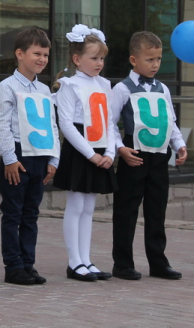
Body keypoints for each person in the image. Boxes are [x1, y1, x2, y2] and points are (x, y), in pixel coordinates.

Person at [110, 31, 188, 281]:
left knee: (156, 210)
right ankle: (122, 263)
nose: (155, 64)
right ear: (134, 60)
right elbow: (110, 123)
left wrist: (179, 144)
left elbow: (170, 121)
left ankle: (158, 263)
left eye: (158, 59)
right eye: (149, 59)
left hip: (159, 157)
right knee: (126, 210)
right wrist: (120, 148)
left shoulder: (162, 88)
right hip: (134, 155)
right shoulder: (122, 89)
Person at [0, 26, 60, 286]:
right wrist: (9, 159)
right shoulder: (6, 87)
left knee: (31, 213)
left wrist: (53, 159)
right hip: (18, 157)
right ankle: (13, 266)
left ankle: (28, 263)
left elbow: (51, 125)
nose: (42, 59)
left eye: (46, 54)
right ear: (20, 54)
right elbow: (2, 125)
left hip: (40, 156)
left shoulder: (44, 90)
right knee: (13, 213)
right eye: (37, 53)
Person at [52, 24, 119, 282]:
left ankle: (86, 259)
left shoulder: (104, 84)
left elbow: (109, 121)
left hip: (100, 145)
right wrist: (91, 154)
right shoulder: (69, 85)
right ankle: (74, 262)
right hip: (81, 149)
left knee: (89, 208)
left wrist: (110, 152)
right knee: (76, 205)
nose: (99, 63)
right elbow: (67, 124)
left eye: (102, 58)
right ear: (77, 59)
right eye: (94, 58)